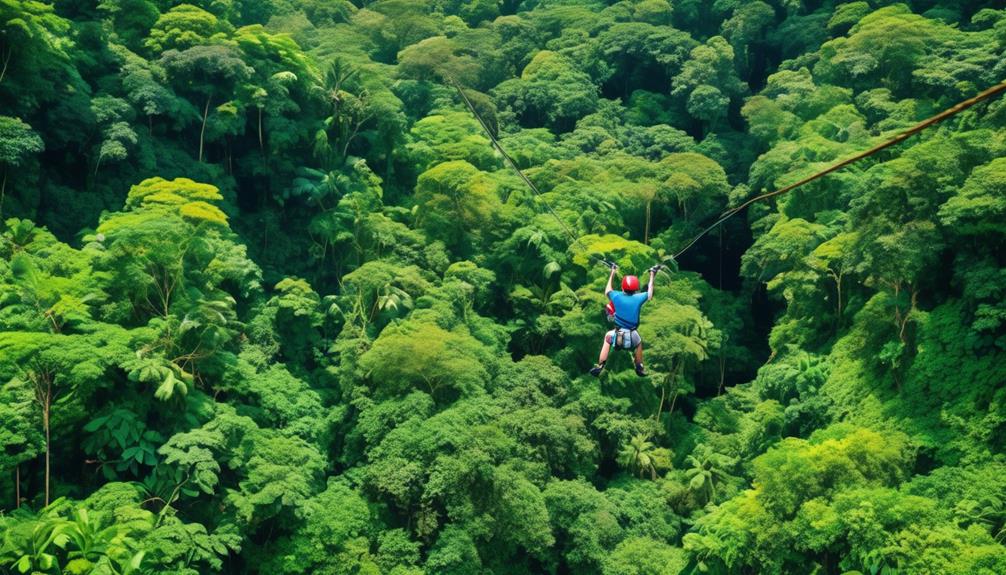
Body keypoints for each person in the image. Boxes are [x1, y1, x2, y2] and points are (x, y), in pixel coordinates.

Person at [590, 264, 656, 377]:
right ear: (636, 289)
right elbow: (650, 293)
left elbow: (607, 290)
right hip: (632, 335)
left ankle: (600, 365)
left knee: (607, 338)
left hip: (617, 335)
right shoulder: (638, 298)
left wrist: (612, 272)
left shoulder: (616, 296)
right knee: (639, 343)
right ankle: (639, 366)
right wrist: (652, 275)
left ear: (622, 287)